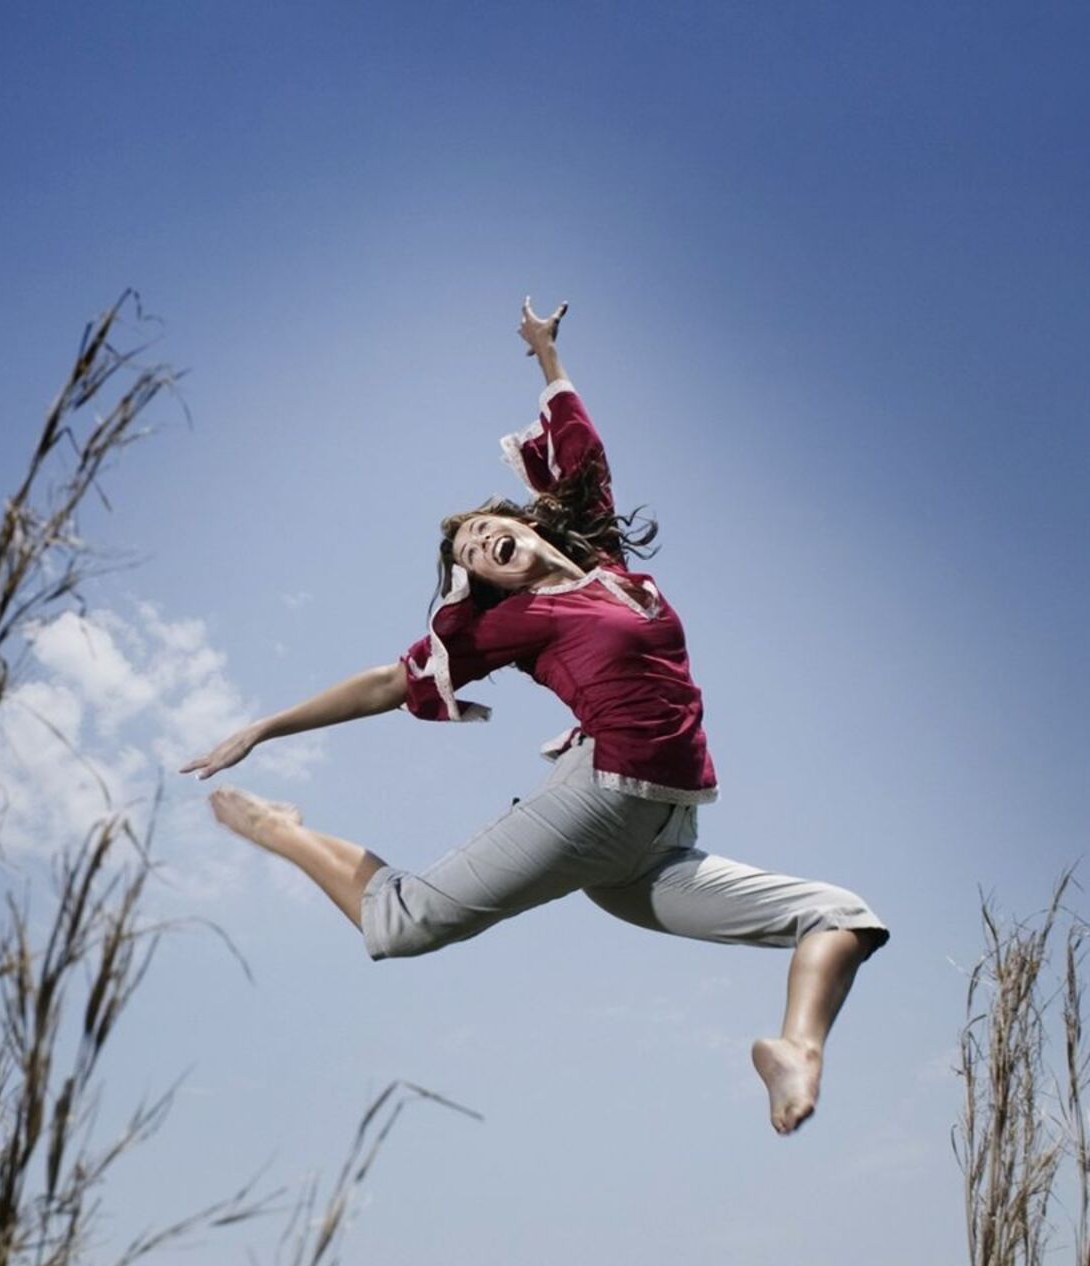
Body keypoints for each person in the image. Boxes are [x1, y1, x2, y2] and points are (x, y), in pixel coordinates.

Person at [179, 298, 887, 1136]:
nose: (481, 545)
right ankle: (280, 827)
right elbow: (384, 682)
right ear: (486, 585)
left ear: (520, 522)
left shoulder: (607, 568)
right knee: (400, 923)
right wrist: (266, 728)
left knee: (844, 918)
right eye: (471, 556)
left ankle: (795, 1053)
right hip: (603, 800)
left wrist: (547, 356)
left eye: (485, 530)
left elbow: (585, 453)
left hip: (661, 838)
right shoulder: (509, 624)